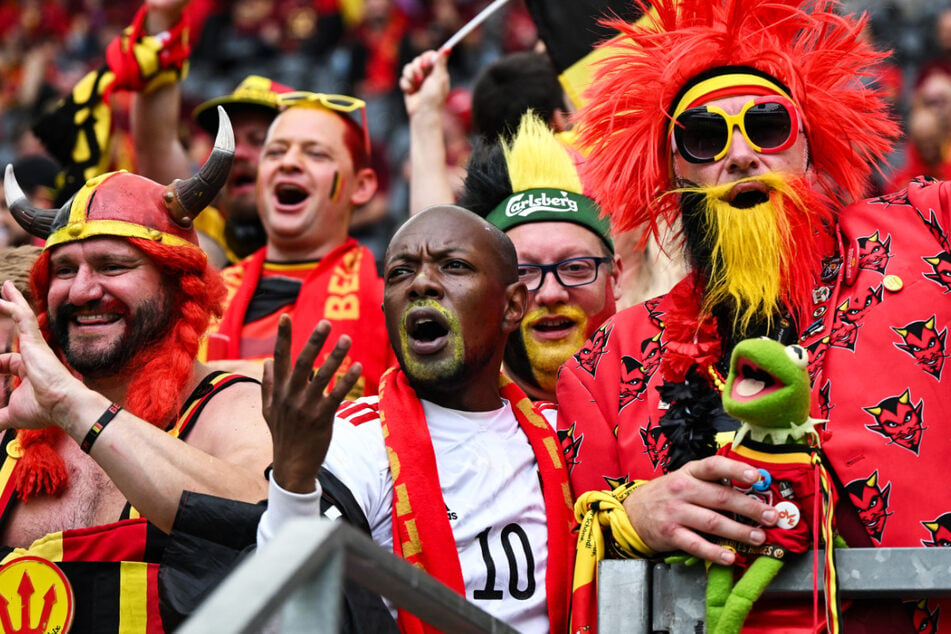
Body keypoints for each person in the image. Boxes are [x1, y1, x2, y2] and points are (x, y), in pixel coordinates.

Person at [556, 0, 949, 630]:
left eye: (767, 126)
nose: (740, 155)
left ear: (808, 151)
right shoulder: (604, 368)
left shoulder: (931, 233)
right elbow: (572, 577)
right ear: (673, 173)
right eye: (706, 137)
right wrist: (629, 520)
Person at [0, 112, 271, 631]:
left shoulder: (235, 406)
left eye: (112, 266)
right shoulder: (18, 426)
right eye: (63, 270)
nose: (81, 291)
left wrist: (74, 407)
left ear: (179, 285)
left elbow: (262, 522)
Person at [257, 205, 574, 634]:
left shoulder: (563, 434)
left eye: (454, 266)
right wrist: (292, 480)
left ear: (512, 305)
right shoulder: (352, 439)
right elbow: (282, 620)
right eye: (400, 273)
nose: (422, 283)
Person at [205, 94, 395, 396]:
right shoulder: (204, 298)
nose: (289, 163)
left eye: (317, 154)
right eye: (275, 152)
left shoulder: (390, 304)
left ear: (361, 186)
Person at [458, 112, 620, 401]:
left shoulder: (670, 403)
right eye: (523, 273)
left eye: (575, 268)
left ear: (615, 277)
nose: (551, 293)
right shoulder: (452, 424)